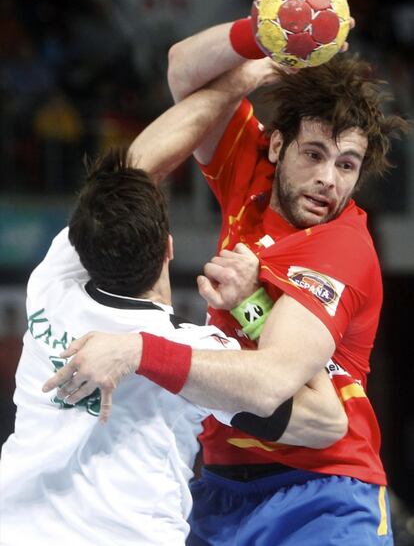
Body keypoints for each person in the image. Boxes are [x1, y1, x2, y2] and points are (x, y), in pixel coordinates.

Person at [0, 68, 347, 546]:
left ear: (81, 243)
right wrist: (253, 305)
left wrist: (238, 79)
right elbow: (324, 422)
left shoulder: (52, 281)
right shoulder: (194, 353)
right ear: (169, 247)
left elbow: (132, 169)